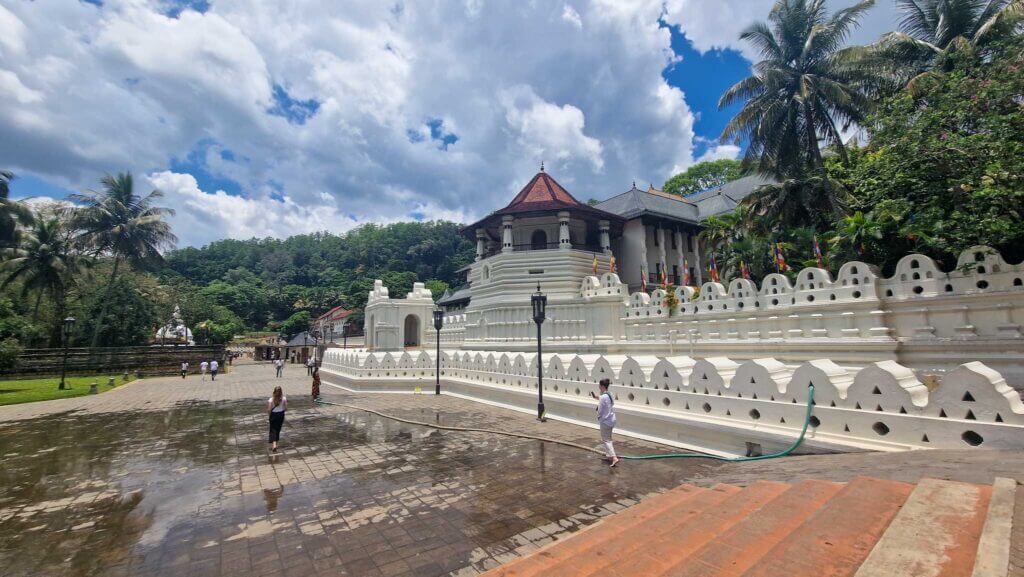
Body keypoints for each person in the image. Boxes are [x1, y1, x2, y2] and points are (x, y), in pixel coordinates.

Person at [596, 379, 619, 467]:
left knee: (606, 440)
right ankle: (609, 456)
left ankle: (614, 457)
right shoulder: (610, 394)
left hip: (605, 421)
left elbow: (600, 410)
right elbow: (608, 401)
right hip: (612, 419)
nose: (599, 387)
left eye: (599, 385)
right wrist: (597, 398)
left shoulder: (603, 397)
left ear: (602, 386)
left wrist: (598, 417)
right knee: (608, 438)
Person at [267, 385, 287, 453]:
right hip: (281, 415)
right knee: (278, 429)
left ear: (274, 392)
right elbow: (285, 408)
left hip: (273, 415)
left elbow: (269, 409)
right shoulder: (284, 398)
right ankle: (276, 444)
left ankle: (274, 444)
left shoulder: (271, 399)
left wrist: (270, 416)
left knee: (273, 430)